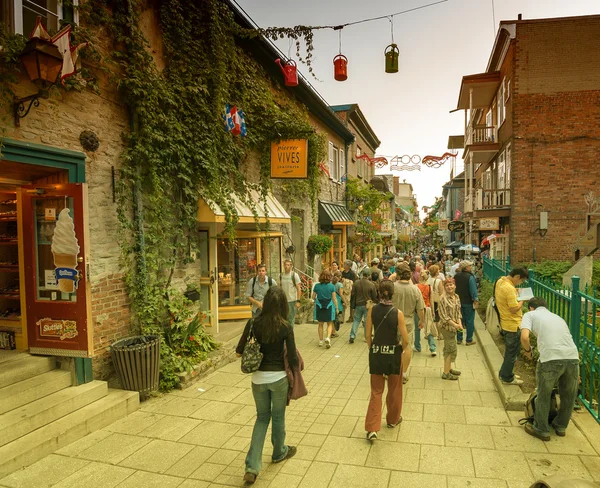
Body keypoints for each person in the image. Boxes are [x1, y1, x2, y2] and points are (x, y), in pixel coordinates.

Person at [235, 286, 298, 484]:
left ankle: (252, 467)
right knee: (278, 416)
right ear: (282, 305)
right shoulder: (286, 327)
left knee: (262, 418)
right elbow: (294, 360)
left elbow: (238, 352)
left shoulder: (253, 323)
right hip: (279, 378)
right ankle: (279, 452)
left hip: (258, 380)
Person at [520, 297, 580, 441]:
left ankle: (541, 429)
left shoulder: (530, 315)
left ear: (531, 308)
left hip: (550, 359)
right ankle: (560, 426)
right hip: (572, 357)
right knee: (568, 395)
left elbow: (524, 337)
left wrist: (528, 351)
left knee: (543, 394)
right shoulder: (557, 317)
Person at [364, 280, 409, 440]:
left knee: (376, 391)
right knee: (395, 389)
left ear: (378, 293)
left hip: (377, 353)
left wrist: (372, 348)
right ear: (393, 294)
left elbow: (368, 335)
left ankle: (372, 428)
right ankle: (393, 419)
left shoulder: (372, 310)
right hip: (393, 354)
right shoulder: (398, 313)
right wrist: (400, 349)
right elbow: (405, 339)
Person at [392, 262, 424, 383]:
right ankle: (403, 373)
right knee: (406, 347)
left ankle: (391, 371)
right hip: (408, 321)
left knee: (392, 345)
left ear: (398, 274)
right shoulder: (415, 289)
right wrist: (422, 321)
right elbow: (420, 308)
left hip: (392, 319)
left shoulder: (392, 287)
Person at [496, 267, 529, 385]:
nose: (520, 283)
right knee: (512, 353)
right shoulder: (509, 289)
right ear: (517, 277)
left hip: (505, 322)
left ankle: (505, 373)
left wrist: (515, 291)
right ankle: (507, 378)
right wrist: (522, 300)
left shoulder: (501, 281)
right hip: (513, 325)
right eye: (521, 281)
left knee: (509, 351)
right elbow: (514, 308)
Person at [437, 278, 464, 380]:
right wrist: (455, 325)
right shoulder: (443, 298)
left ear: (455, 286)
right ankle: (446, 373)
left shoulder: (456, 297)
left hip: (454, 327)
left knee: (450, 347)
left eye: (451, 284)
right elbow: (444, 316)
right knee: (450, 349)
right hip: (446, 328)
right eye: (447, 285)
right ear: (444, 287)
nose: (449, 287)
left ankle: (448, 368)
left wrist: (459, 323)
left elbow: (458, 312)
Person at [349, 268, 378, 344]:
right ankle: (366, 337)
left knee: (356, 320)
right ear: (369, 275)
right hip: (367, 305)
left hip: (358, 304)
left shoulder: (356, 283)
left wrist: (352, 305)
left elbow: (353, 294)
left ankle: (352, 336)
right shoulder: (371, 284)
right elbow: (374, 296)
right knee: (367, 321)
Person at [454, 261, 479, 345]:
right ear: (466, 267)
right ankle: (469, 339)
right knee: (469, 321)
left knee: (459, 320)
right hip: (468, 302)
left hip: (458, 301)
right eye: (470, 266)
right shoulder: (470, 277)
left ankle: (459, 338)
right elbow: (473, 291)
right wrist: (476, 300)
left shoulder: (456, 276)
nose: (471, 267)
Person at [312, 270, 339, 348]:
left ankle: (320, 341)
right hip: (329, 306)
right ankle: (327, 338)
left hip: (319, 306)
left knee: (320, 324)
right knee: (330, 323)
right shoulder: (331, 286)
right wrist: (337, 308)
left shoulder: (317, 286)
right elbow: (334, 299)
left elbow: (313, 297)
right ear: (329, 277)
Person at [415, 270, 437, 357]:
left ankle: (417, 346)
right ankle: (433, 348)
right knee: (428, 328)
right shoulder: (429, 287)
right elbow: (431, 300)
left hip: (418, 309)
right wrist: (433, 311)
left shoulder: (416, 286)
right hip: (427, 309)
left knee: (417, 328)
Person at [279, 258, 301, 328]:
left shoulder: (294, 275)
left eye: (288, 265)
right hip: (283, 301)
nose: (286, 266)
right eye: (285, 265)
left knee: (290, 319)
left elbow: (298, 289)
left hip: (292, 301)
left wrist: (298, 301)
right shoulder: (281, 275)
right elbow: (279, 288)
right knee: (283, 318)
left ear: (291, 266)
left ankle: (290, 335)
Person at [331, 271, 344, 337]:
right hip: (337, 301)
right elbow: (341, 294)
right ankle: (333, 331)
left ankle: (331, 330)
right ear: (340, 277)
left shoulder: (331, 283)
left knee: (332, 317)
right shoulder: (340, 285)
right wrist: (344, 301)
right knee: (336, 317)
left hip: (331, 300)